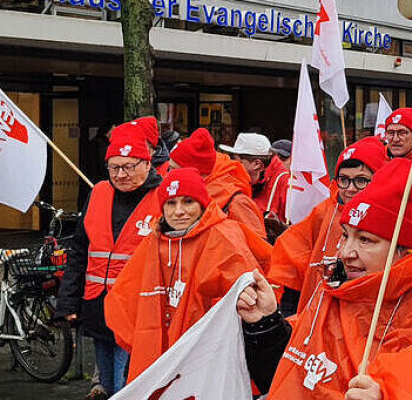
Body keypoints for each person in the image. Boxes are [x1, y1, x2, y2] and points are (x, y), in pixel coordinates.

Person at [237, 159, 412, 399]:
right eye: (346, 235)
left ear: (403, 248)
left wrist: (389, 392)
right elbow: (290, 377)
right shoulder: (336, 292)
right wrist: (264, 324)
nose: (347, 252)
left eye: (366, 240)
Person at [105, 168, 268, 382]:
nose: (179, 211)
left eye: (188, 202)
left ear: (202, 203)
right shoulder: (155, 240)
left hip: (207, 356)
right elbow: (125, 296)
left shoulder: (223, 236)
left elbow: (247, 300)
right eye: (171, 204)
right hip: (161, 352)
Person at [56, 118, 164, 396]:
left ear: (147, 163)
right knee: (106, 381)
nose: (121, 174)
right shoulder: (98, 193)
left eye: (129, 166)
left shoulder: (163, 198)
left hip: (138, 312)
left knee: (125, 385)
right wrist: (67, 301)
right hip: (97, 306)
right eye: (114, 167)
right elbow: (80, 252)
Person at [267, 138, 389, 315]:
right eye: (344, 180)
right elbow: (292, 252)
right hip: (320, 311)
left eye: (361, 181)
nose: (350, 188)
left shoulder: (391, 217)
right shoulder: (325, 211)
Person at [168, 129, 269, 240]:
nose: (168, 175)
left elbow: (257, 249)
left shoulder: (237, 202)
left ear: (196, 172)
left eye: (174, 169)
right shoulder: (181, 197)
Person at [220, 133, 291, 226]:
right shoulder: (246, 179)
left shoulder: (285, 182)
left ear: (256, 164)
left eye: (237, 161)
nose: (232, 165)